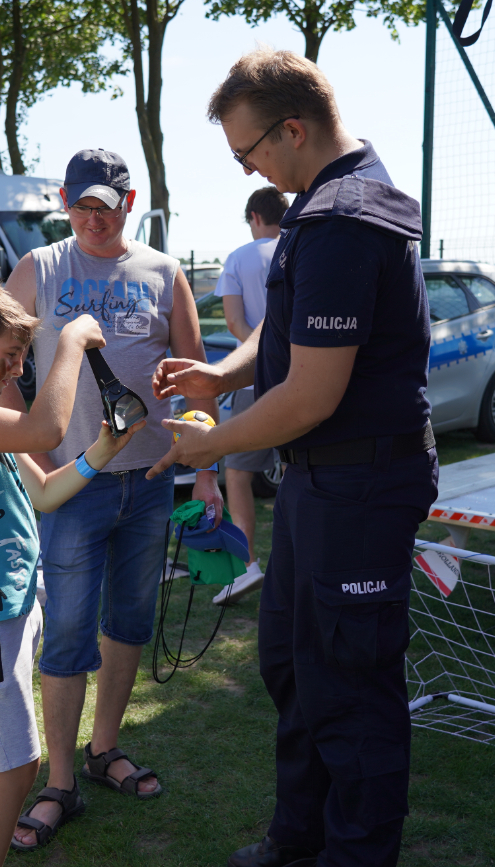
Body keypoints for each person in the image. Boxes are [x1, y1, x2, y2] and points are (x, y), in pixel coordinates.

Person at [148, 48, 439, 867]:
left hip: (360, 481)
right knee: (292, 663)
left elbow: (310, 393)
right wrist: (222, 372)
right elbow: (283, 341)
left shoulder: (345, 221)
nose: (249, 170)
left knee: (351, 684)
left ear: (294, 127)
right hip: (319, 484)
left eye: (248, 154)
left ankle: (354, 853)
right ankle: (298, 835)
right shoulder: (318, 207)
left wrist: (213, 442)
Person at [4, 148, 222, 849]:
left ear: (130, 202)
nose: (93, 218)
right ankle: (59, 780)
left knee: (129, 620)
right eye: (81, 205)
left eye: (106, 205)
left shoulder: (164, 272)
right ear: (65, 202)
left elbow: (197, 382)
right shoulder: (40, 268)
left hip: (152, 480)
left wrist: (206, 462)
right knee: (67, 629)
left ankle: (105, 749)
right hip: (73, 483)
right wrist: (29, 451)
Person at [0, 276, 142, 865]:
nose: (16, 372)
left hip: (4, 612)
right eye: (9, 358)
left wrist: (101, 455)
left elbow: (42, 491)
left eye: (21, 359)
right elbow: (45, 431)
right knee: (17, 769)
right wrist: (69, 342)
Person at [213, 185, 289, 606]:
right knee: (298, 471)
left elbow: (236, 322)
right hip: (304, 378)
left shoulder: (239, 258)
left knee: (239, 473)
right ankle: (296, 566)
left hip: (253, 381)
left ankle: (247, 567)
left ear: (254, 218)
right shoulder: (300, 246)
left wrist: (264, 352)